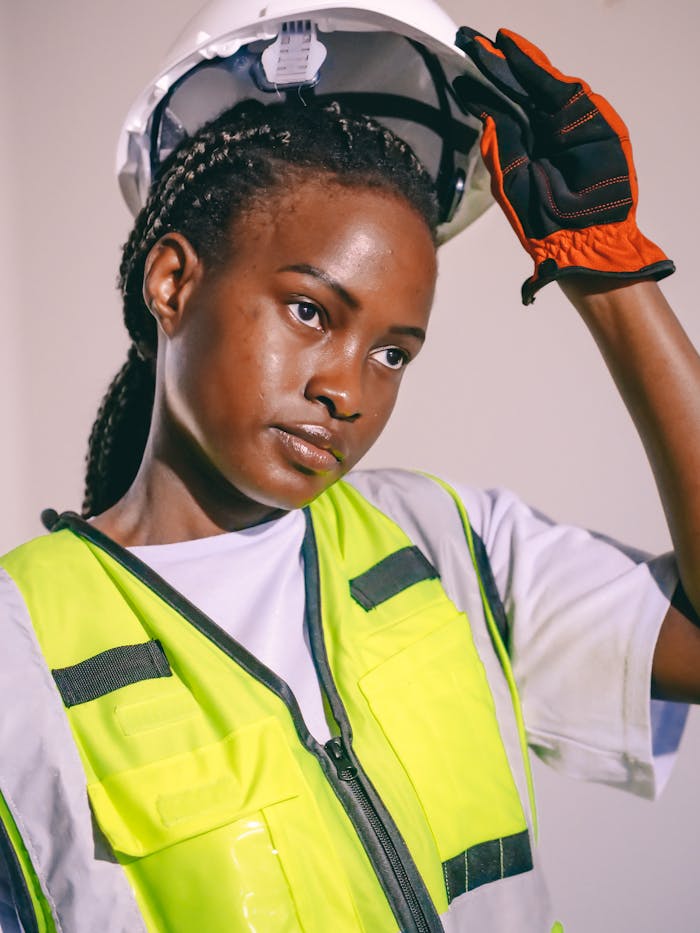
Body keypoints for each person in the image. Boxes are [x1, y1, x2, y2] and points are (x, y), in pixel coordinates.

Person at [1, 1, 698, 931]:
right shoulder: (19, 652)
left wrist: (609, 279)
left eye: (394, 352)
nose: (348, 389)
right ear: (172, 282)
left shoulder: (448, 545)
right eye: (310, 312)